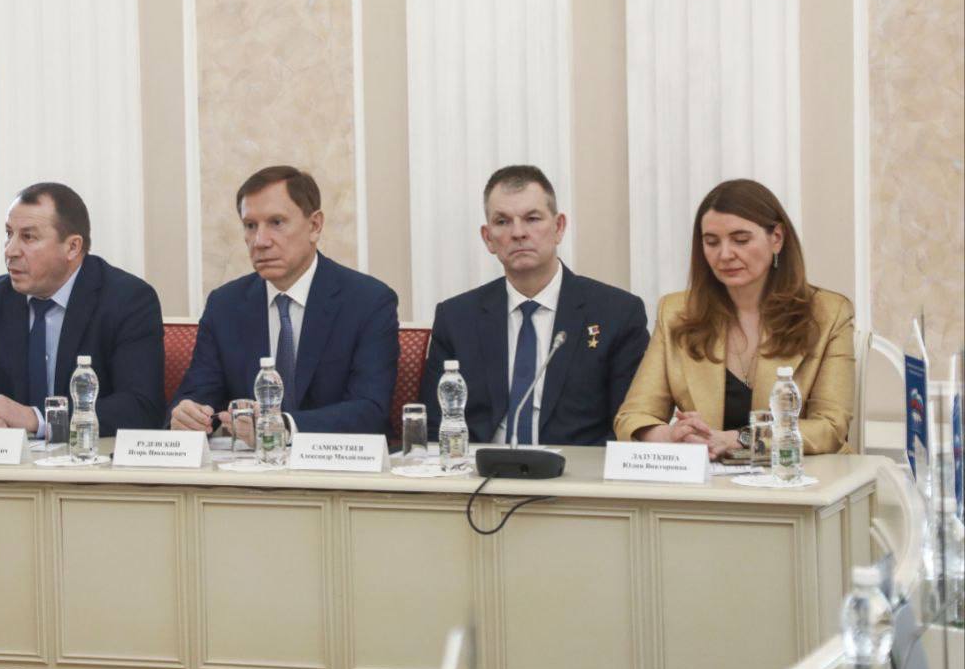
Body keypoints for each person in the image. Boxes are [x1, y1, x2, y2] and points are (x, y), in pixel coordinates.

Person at [614, 178, 855, 458]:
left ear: (777, 238)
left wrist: (739, 439)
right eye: (711, 242)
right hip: (711, 480)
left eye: (741, 240)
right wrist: (671, 435)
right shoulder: (676, 312)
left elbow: (830, 427)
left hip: (801, 476)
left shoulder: (828, 313)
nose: (725, 254)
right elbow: (633, 417)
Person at [419, 165, 650, 446]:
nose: (518, 233)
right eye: (502, 221)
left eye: (532, 218)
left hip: (576, 469)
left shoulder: (617, 313)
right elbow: (435, 426)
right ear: (488, 238)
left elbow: (628, 425)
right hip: (480, 468)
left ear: (558, 227)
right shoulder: (456, 318)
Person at [170, 165, 398, 435]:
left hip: (330, 459)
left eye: (276, 222)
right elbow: (199, 395)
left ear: (314, 226)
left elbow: (370, 411)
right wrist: (188, 416)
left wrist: (285, 428)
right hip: (246, 460)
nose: (260, 241)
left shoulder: (368, 301)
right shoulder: (225, 305)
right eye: (250, 226)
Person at [0, 182, 164, 435]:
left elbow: (140, 407)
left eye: (28, 237)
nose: (10, 250)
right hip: (10, 455)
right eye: (9, 234)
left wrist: (39, 420)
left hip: (89, 456)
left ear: (72, 247)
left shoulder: (127, 300)